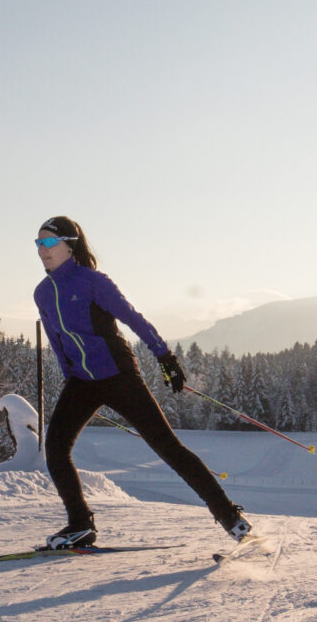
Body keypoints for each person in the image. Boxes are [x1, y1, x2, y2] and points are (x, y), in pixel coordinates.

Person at [31, 215, 252, 550]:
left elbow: (133, 318)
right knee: (56, 449)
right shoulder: (43, 293)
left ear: (69, 244)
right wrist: (70, 377)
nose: (42, 250)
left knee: (168, 447)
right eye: (38, 244)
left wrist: (166, 358)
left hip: (119, 375)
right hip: (82, 381)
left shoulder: (93, 282)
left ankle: (230, 518)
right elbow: (56, 340)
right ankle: (80, 525)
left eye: (48, 242)